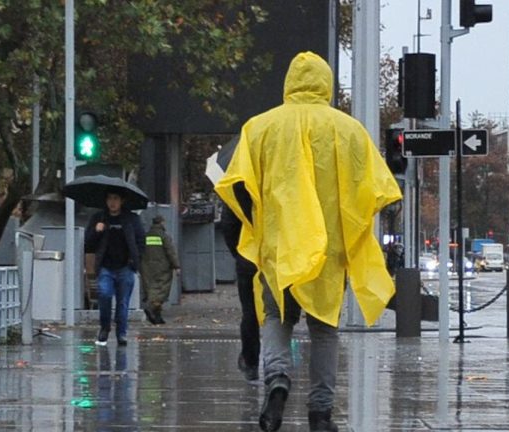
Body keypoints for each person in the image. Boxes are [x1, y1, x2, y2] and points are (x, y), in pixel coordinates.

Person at [215, 52, 401, 432]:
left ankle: (277, 379)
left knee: (276, 318)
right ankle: (321, 412)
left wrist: (254, 229)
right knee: (324, 330)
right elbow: (374, 189)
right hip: (328, 252)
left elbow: (235, 186)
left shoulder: (260, 128)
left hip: (279, 248)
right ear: (326, 84)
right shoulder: (349, 130)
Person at [85, 189, 145, 346]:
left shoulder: (132, 219)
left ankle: (121, 333)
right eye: (109, 198)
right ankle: (105, 327)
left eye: (116, 198)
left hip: (125, 267)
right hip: (105, 267)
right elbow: (88, 245)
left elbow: (140, 241)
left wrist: (134, 261)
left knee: (123, 302)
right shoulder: (98, 218)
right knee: (104, 295)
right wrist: (97, 231)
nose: (112, 202)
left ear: (122, 201)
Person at [219, 202, 260, 382]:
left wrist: (239, 252)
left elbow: (228, 224)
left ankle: (251, 362)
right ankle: (278, 366)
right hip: (276, 256)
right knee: (277, 313)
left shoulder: (238, 187)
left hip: (248, 256)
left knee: (250, 312)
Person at [140, 215, 180, 325]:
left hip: (146, 267)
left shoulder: (146, 236)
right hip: (162, 267)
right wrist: (176, 266)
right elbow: (171, 252)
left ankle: (157, 317)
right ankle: (151, 308)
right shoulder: (164, 236)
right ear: (162, 222)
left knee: (150, 288)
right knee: (161, 290)